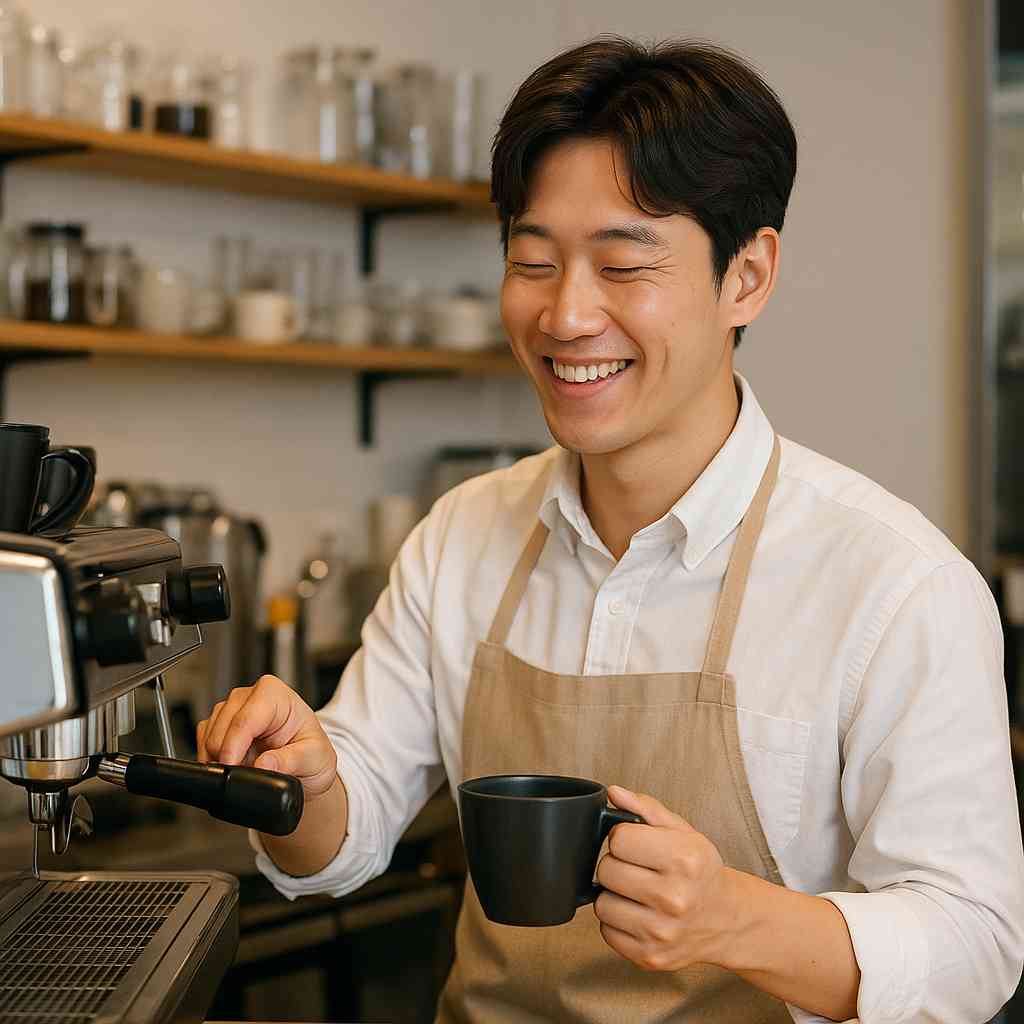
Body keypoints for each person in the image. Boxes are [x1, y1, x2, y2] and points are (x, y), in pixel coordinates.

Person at [197, 36, 1024, 1023]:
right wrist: (304, 780)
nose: (565, 315)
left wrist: (729, 918)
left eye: (623, 265)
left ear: (746, 276)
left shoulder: (893, 582)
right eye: (532, 262)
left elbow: (973, 943)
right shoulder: (465, 534)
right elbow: (345, 832)